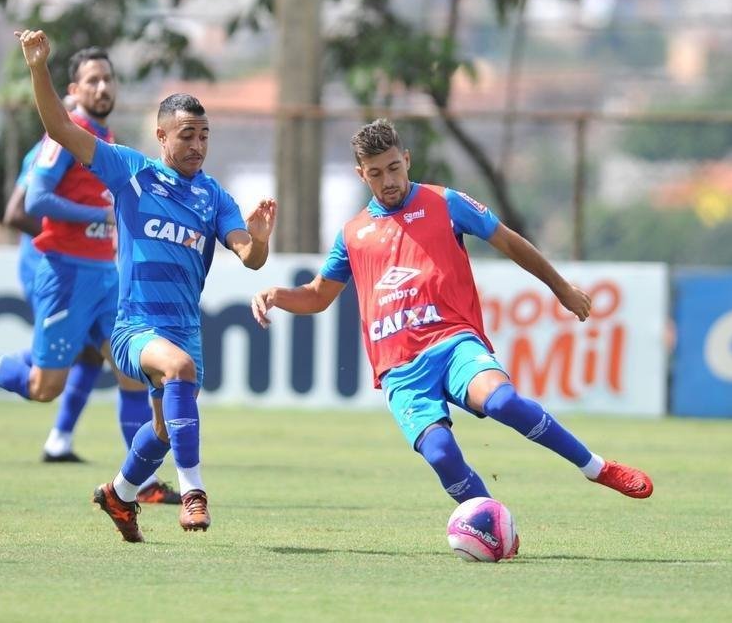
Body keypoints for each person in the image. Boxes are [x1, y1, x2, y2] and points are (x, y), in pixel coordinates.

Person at [251, 118, 652, 513]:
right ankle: (493, 525)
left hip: (452, 341)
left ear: (406, 159)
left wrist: (561, 288)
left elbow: (509, 242)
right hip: (401, 368)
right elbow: (318, 296)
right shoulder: (353, 233)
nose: (388, 180)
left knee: (503, 401)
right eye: (375, 173)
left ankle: (596, 468)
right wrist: (277, 295)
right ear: (361, 175)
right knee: (441, 454)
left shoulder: (445, 203)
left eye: (394, 168)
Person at [13, 27, 276, 541]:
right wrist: (38, 69)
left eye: (204, 136)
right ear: (161, 137)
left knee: (161, 429)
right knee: (176, 371)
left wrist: (260, 239)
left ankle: (118, 494)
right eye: (187, 135)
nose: (198, 145)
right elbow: (61, 128)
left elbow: (249, 257)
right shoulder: (130, 171)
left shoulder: (214, 197)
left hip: (185, 328)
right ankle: (194, 490)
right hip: (135, 326)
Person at [0, 47, 175, 503]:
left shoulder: (103, 138)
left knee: (133, 372)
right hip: (66, 275)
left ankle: (139, 482)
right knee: (43, 386)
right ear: (74, 90)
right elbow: (34, 202)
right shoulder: (65, 137)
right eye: (92, 80)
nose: (103, 87)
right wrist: (99, 212)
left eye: (108, 79)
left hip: (105, 277)